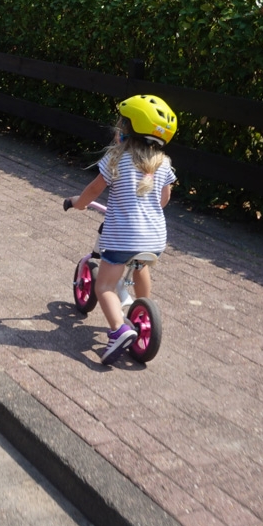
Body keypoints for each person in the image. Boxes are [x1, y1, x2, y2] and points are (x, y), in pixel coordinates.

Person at [65, 95, 178, 364]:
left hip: (122, 237)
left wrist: (78, 203)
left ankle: (119, 330)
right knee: (140, 265)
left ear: (127, 131)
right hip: (155, 239)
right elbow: (164, 200)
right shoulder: (163, 164)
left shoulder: (116, 160)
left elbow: (94, 189)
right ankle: (142, 308)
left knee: (104, 286)